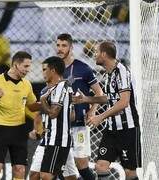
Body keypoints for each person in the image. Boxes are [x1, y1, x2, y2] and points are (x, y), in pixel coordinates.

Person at [73, 41, 141, 180]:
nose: (94, 56)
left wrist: (100, 117)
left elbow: (124, 102)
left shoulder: (121, 71)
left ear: (104, 54)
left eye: (96, 52)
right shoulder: (108, 74)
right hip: (111, 130)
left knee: (130, 173)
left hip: (127, 130)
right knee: (100, 166)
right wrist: (86, 99)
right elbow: (106, 99)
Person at [0, 51, 39, 180]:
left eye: (29, 66)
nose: (28, 70)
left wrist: (45, 106)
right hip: (0, 130)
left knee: (20, 170)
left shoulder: (26, 84)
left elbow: (32, 107)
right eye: (26, 66)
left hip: (19, 131)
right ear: (16, 64)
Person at [56, 33, 103, 180]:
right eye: (58, 45)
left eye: (64, 45)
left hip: (79, 124)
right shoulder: (53, 69)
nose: (60, 49)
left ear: (71, 47)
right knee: (58, 165)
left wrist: (92, 111)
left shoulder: (83, 69)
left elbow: (99, 92)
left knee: (82, 165)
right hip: (60, 125)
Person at [29, 56, 73, 179]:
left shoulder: (62, 86)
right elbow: (40, 112)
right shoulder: (47, 90)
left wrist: (43, 102)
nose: (43, 73)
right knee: (36, 175)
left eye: (45, 69)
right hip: (49, 138)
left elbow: (53, 114)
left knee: (46, 175)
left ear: (52, 70)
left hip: (58, 139)